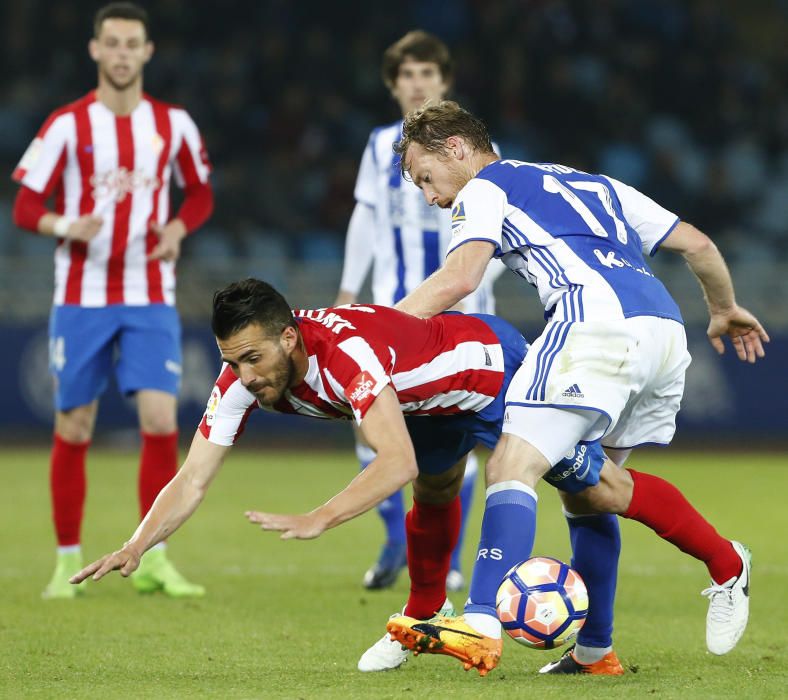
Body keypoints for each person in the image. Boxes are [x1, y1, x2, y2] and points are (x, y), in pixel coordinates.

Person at [72, 279, 751, 679]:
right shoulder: (242, 378)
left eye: (252, 357)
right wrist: (140, 543)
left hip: (492, 373)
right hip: (426, 401)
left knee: (598, 489)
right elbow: (191, 479)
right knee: (434, 488)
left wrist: (322, 517)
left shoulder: (347, 357)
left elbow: (388, 462)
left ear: (289, 336)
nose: (245, 376)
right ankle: (422, 621)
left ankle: (727, 561)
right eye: (232, 361)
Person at [384, 100, 768, 674]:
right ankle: (619, 635)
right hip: (663, 333)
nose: (430, 196)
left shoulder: (483, 189)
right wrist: (724, 308)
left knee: (512, 464)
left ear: (456, 148)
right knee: (595, 489)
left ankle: (482, 616)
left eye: (425, 177)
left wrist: (377, 334)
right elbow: (700, 245)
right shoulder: (596, 183)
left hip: (593, 326)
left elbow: (460, 278)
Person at [11, 2, 213, 599]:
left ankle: (153, 558)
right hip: (82, 298)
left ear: (147, 52)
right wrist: (62, 225)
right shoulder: (67, 125)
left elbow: (199, 194)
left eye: (133, 44)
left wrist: (178, 228)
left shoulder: (173, 124)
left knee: (159, 419)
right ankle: (64, 562)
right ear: (95, 50)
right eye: (113, 43)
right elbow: (25, 205)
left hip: (151, 294)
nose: (123, 53)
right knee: (74, 425)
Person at [335, 30, 503, 591]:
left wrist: (484, 282)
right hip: (396, 306)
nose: (417, 83)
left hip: (462, 310)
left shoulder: (470, 149)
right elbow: (366, 219)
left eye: (427, 74)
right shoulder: (380, 145)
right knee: (370, 426)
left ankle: (450, 559)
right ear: (393, 84)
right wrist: (347, 288)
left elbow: (504, 221)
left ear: (443, 82)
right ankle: (394, 543)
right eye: (407, 75)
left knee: (458, 426)